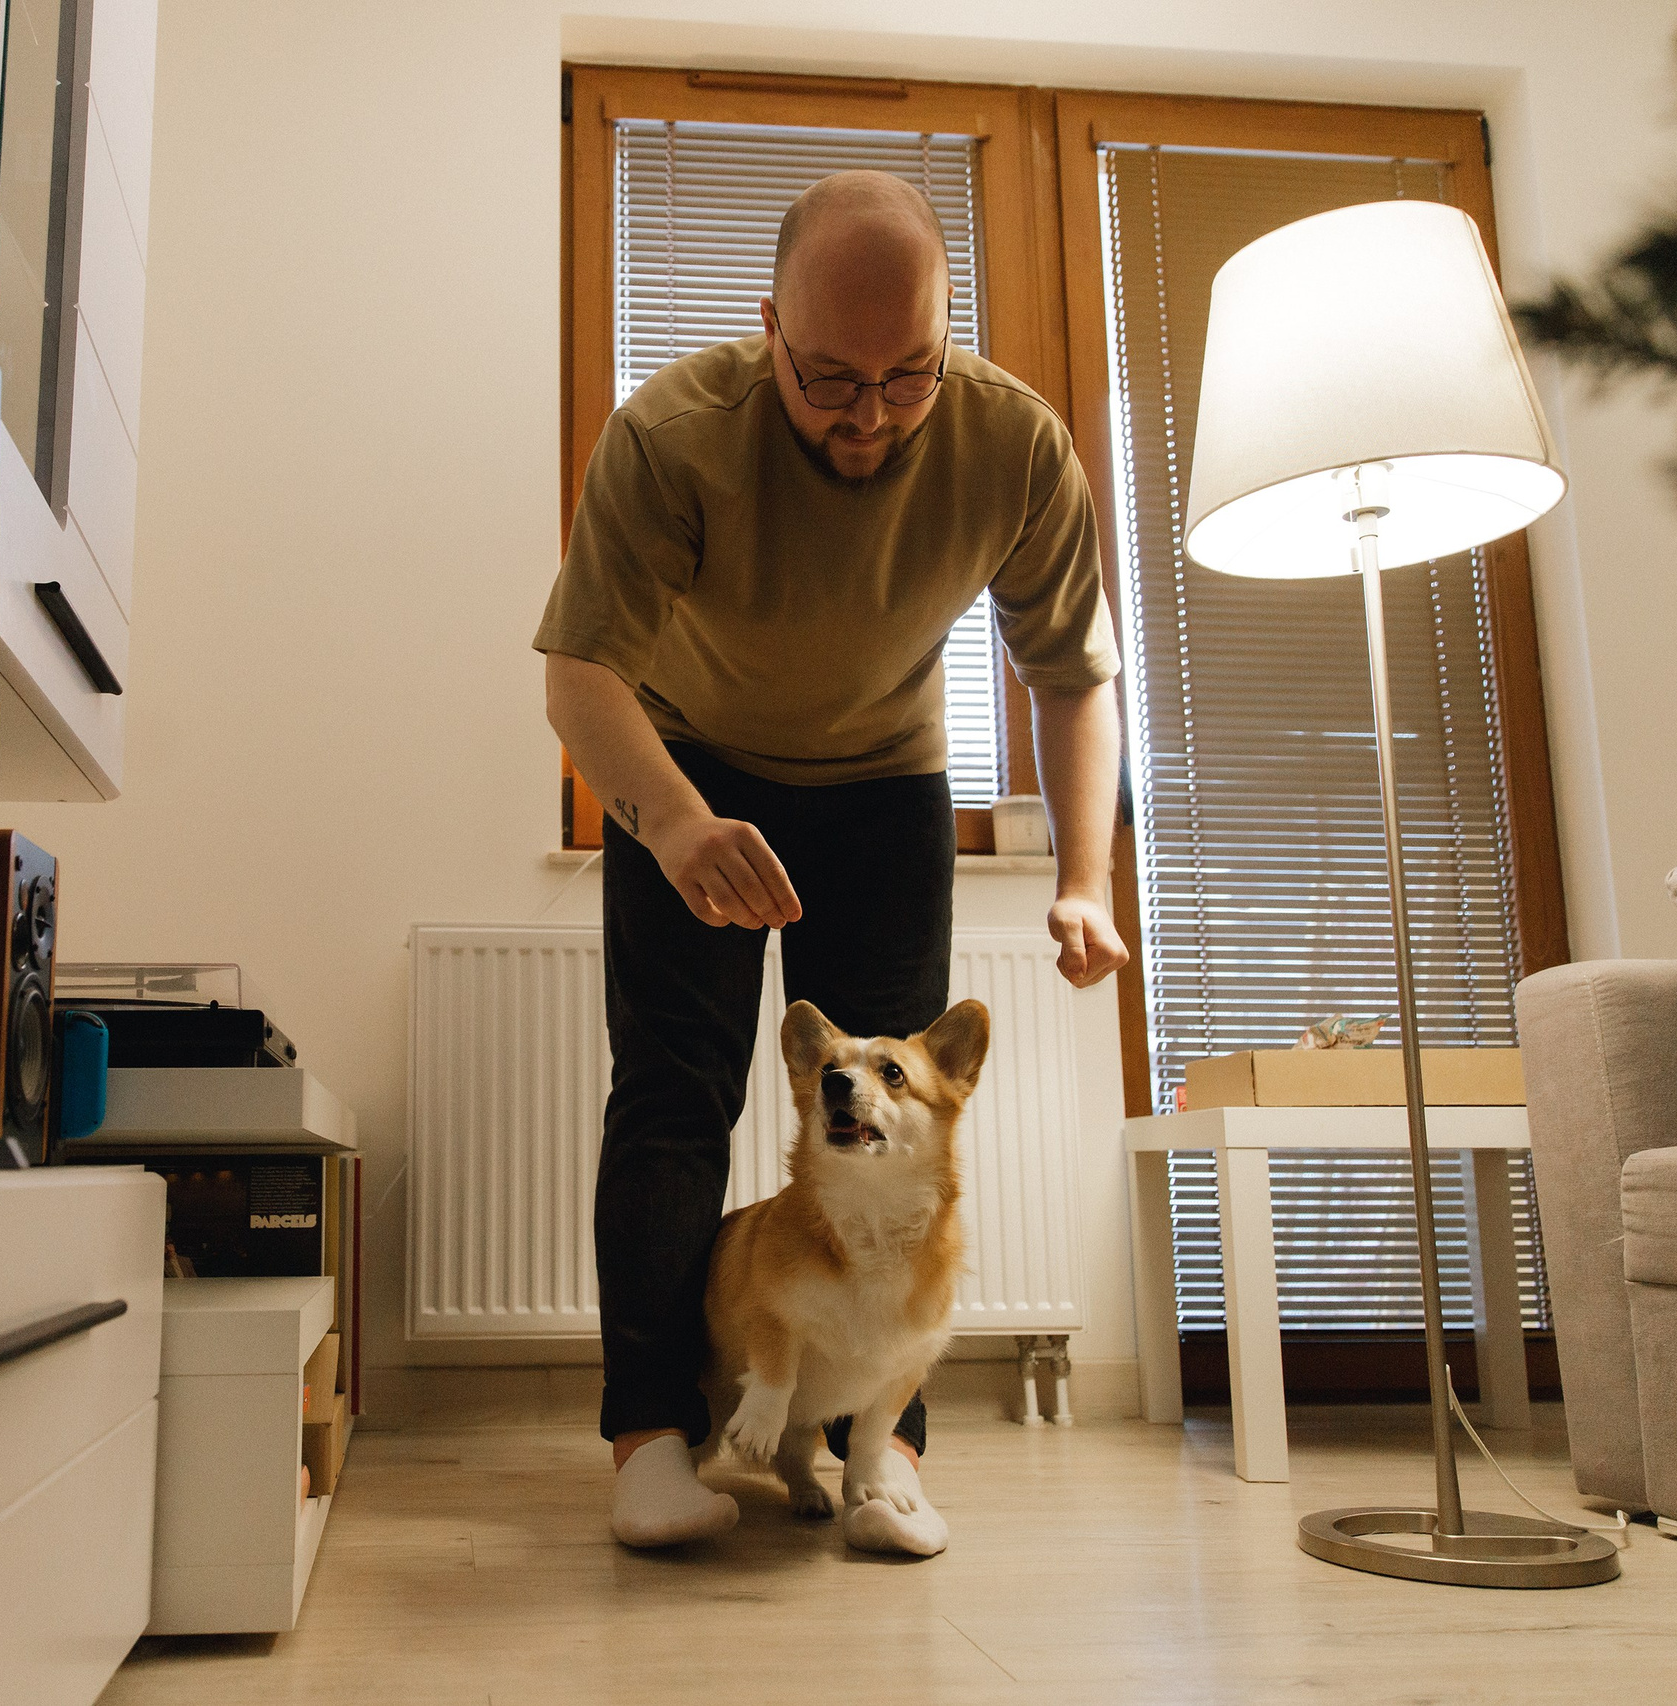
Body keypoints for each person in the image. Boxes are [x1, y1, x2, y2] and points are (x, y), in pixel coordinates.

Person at [534, 171, 1130, 1555]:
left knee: (897, 1117)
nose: (869, 414)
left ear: (944, 335)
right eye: (829, 381)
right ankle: (653, 1442)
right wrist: (676, 823)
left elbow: (1074, 672)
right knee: (675, 1093)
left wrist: (1085, 875)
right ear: (768, 329)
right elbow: (580, 677)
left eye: (905, 376)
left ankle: (885, 1458)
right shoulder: (674, 434)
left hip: (884, 783)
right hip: (690, 768)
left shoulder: (1013, 444)